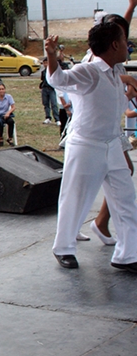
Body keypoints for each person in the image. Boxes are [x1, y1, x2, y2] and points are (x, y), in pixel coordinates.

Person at [46, 25, 137, 272]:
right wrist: (52, 56)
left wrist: (128, 95)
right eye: (124, 40)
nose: (128, 45)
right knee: (75, 198)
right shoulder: (88, 70)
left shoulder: (116, 71)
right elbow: (58, 80)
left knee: (125, 199)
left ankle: (128, 254)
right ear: (115, 45)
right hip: (86, 145)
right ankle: (63, 248)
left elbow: (109, 106)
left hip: (112, 144)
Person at [39, 58, 61, 126]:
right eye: (44, 63)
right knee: (46, 104)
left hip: (51, 89)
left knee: (54, 104)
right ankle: (48, 117)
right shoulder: (43, 72)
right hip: (45, 88)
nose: (45, 64)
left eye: (46, 63)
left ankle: (57, 119)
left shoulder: (52, 71)